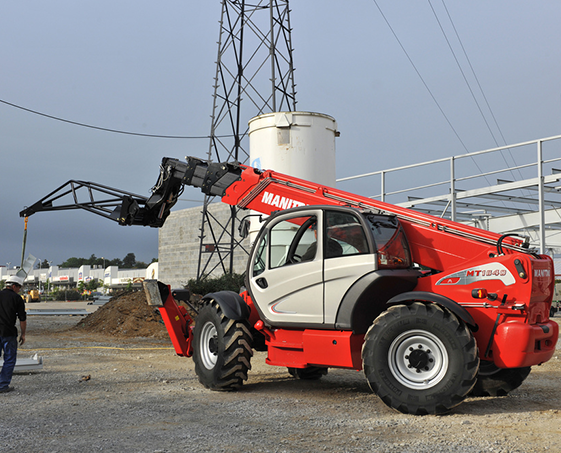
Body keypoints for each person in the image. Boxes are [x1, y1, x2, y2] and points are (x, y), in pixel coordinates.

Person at [0, 275, 27, 393]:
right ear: (14, 286)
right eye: (19, 288)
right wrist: (23, 334)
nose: (19, 290)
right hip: (8, 333)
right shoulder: (17, 298)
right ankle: (2, 385)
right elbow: (22, 319)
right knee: (9, 359)